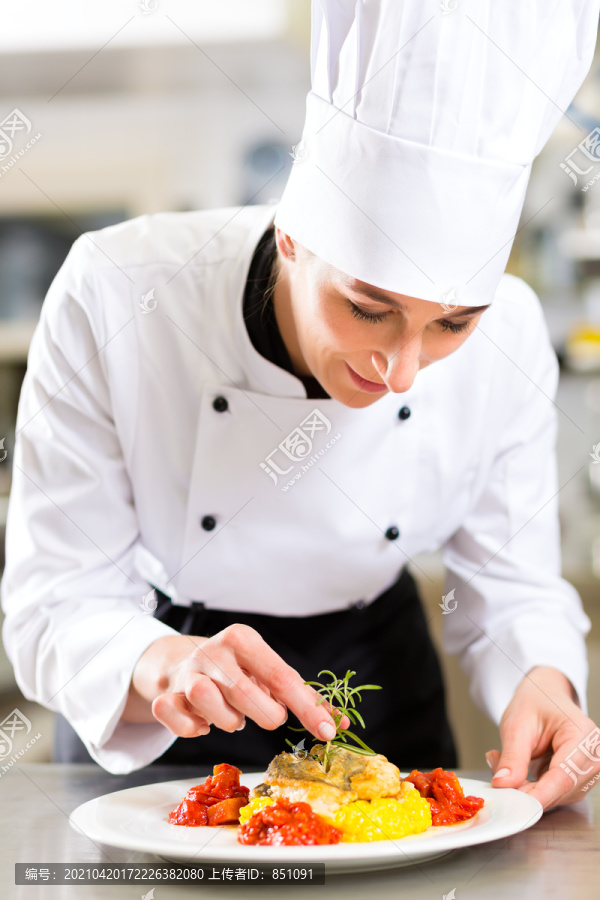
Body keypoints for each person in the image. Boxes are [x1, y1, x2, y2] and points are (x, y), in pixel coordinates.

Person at [2, 1, 600, 813]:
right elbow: (55, 602)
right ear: (291, 235)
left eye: (451, 325)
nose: (401, 372)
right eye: (367, 309)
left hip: (377, 696)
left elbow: (509, 585)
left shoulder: (514, 334)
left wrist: (545, 683)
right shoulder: (119, 293)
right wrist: (157, 666)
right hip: (161, 708)